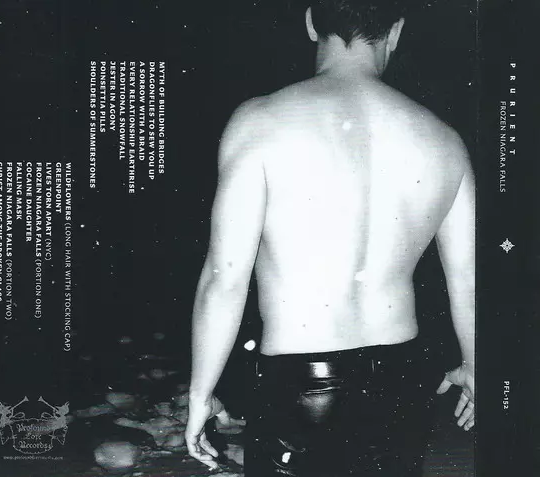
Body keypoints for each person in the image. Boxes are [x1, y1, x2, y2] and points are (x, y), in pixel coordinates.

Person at [185, 1, 475, 475]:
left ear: (310, 21)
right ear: (395, 32)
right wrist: (476, 366)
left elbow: (224, 280)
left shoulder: (259, 122)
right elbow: (468, 278)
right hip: (404, 385)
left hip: (299, 389)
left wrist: (201, 393)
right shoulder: (445, 140)